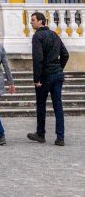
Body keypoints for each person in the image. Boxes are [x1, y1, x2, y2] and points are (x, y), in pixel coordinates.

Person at [27, 11, 69, 146]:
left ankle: (40, 134)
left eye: (33, 20)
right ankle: (60, 137)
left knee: (41, 104)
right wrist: (59, 68)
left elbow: (38, 59)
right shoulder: (54, 34)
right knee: (58, 106)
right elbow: (65, 54)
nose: (31, 22)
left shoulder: (37, 36)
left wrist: (37, 79)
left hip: (45, 76)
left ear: (40, 21)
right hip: (57, 74)